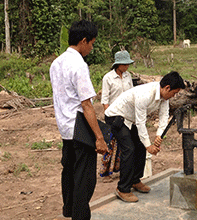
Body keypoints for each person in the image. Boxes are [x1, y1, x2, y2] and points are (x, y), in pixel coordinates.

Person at [50, 20, 108, 220]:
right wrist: (99, 137)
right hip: (80, 129)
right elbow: (87, 105)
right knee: (84, 179)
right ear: (84, 41)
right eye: (91, 43)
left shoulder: (56, 63)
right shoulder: (79, 65)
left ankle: (69, 211)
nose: (91, 48)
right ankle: (80, 216)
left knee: (69, 172)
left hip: (65, 129)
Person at [105, 71, 186, 202]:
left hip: (130, 120)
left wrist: (159, 135)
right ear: (167, 88)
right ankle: (122, 189)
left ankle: (134, 180)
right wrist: (149, 145)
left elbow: (164, 117)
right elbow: (141, 123)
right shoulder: (145, 94)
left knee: (140, 146)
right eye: (174, 93)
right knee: (129, 149)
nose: (174, 96)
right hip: (116, 117)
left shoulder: (164, 97)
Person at [99, 50, 134, 182]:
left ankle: (119, 169)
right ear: (118, 64)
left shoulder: (128, 76)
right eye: (124, 64)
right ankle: (106, 172)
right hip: (113, 114)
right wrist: (109, 116)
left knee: (124, 143)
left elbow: (131, 94)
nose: (126, 67)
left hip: (126, 114)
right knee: (111, 143)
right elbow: (105, 99)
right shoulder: (108, 78)